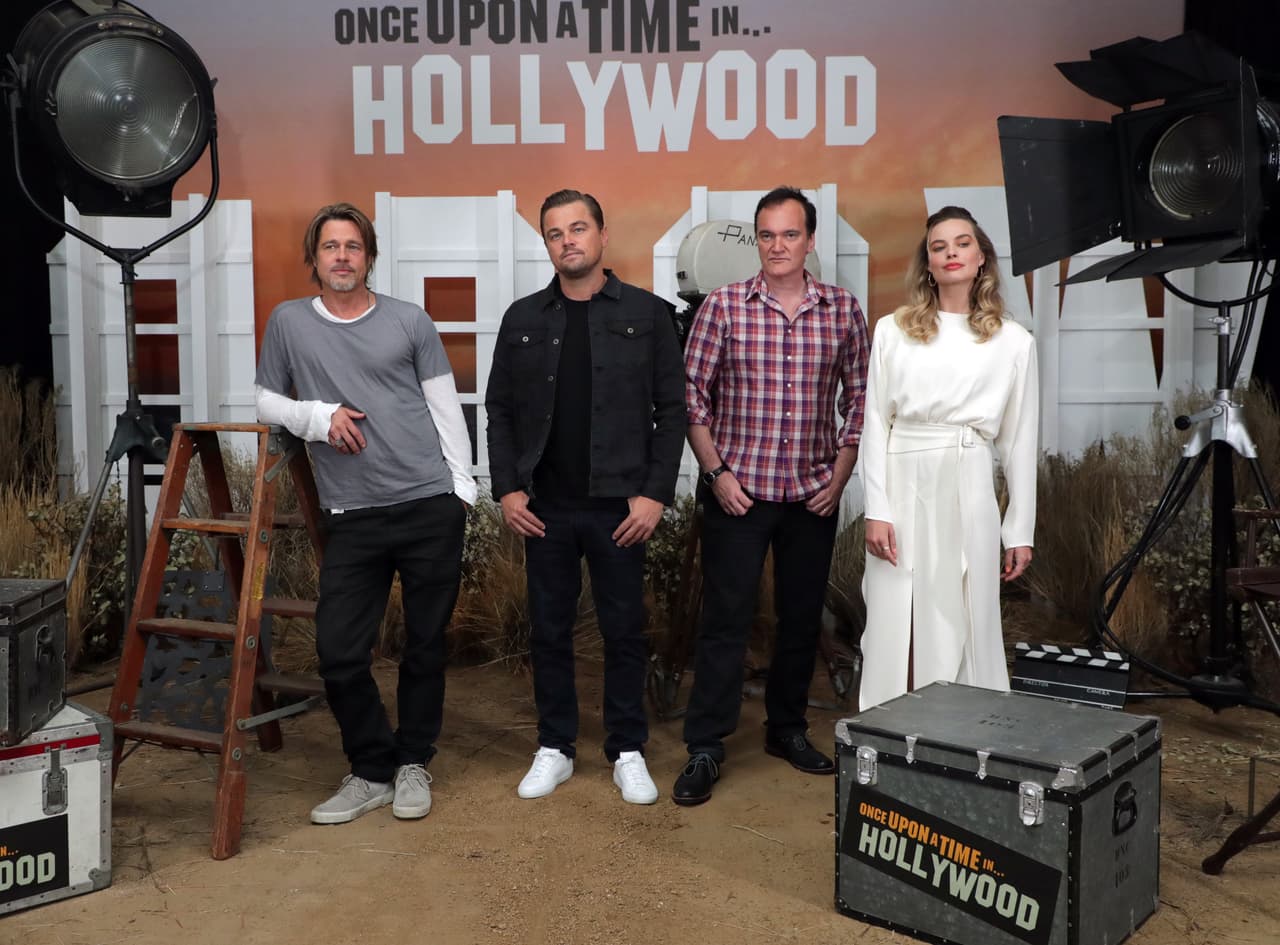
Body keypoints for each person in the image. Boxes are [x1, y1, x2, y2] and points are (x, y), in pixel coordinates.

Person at [255, 202, 476, 824]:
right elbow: (267, 398)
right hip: (352, 513)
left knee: (425, 647)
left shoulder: (409, 321)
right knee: (340, 652)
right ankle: (371, 767)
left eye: (353, 246)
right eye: (331, 247)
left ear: (369, 257)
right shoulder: (290, 323)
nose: (343, 256)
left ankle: (412, 763)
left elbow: (444, 408)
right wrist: (317, 418)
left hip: (428, 505)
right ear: (314, 259)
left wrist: (461, 491)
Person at [485, 189, 685, 805]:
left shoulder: (649, 315)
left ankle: (627, 749)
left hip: (620, 507)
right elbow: (499, 410)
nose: (568, 240)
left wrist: (654, 494)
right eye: (554, 232)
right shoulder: (522, 318)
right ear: (545, 243)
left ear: (601, 235)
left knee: (624, 629)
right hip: (545, 506)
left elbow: (673, 410)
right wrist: (508, 489)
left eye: (578, 228)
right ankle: (556, 747)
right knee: (549, 629)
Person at [675, 186, 870, 806]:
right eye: (767, 235)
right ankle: (705, 744)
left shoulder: (843, 310)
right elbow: (692, 398)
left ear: (810, 241)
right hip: (739, 495)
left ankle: (785, 730)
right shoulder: (725, 307)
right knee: (726, 622)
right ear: (755, 241)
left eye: (790, 234)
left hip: (812, 496)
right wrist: (716, 474)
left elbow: (861, 400)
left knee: (799, 620)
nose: (777, 246)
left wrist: (839, 478)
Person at [859, 205, 1038, 709]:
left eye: (961, 243)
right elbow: (875, 422)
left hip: (971, 476)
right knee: (896, 607)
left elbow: (1020, 439)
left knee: (968, 606)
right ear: (929, 263)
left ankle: (965, 737)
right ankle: (888, 734)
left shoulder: (1013, 342)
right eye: (939, 247)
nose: (951, 253)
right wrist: (878, 509)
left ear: (981, 257)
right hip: (903, 471)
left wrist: (1019, 528)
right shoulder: (892, 331)